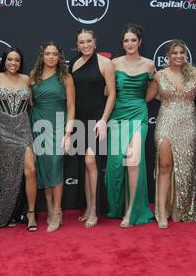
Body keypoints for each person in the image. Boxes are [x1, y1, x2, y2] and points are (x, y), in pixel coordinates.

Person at [146, 39, 196, 228]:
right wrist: (166, 98)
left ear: (186, 55)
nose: (178, 56)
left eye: (181, 53)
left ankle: (182, 208)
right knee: (165, 165)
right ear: (168, 56)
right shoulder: (160, 75)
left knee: (186, 168)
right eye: (175, 53)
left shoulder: (194, 73)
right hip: (166, 121)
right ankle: (162, 211)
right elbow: (148, 97)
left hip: (188, 124)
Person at [106, 24, 154, 228]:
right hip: (117, 116)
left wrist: (140, 102)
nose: (130, 44)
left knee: (133, 160)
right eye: (126, 41)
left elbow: (153, 90)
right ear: (122, 43)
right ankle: (118, 206)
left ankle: (131, 211)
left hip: (138, 115)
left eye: (133, 40)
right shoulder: (114, 64)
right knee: (117, 164)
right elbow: (108, 92)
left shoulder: (149, 64)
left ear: (140, 42)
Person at [0, 47, 37, 231]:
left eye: (17, 60)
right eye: (10, 60)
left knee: (30, 170)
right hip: (2, 129)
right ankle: (5, 215)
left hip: (23, 129)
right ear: (4, 61)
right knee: (7, 175)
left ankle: (31, 214)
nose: (13, 63)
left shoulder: (27, 79)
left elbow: (35, 102)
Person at [69, 29, 116, 228]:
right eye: (82, 42)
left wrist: (104, 119)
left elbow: (112, 94)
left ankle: (95, 210)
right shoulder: (74, 63)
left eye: (89, 41)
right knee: (85, 166)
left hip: (97, 121)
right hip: (79, 119)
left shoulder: (105, 64)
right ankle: (88, 207)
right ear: (77, 44)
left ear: (95, 42)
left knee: (91, 162)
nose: (86, 45)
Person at [30, 41, 75, 232]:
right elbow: (30, 102)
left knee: (56, 166)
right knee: (44, 168)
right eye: (47, 54)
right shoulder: (33, 77)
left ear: (59, 56)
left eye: (55, 54)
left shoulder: (65, 77)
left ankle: (57, 211)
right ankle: (49, 206)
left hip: (58, 126)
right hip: (38, 126)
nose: (51, 57)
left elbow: (72, 107)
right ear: (42, 56)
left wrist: (67, 134)